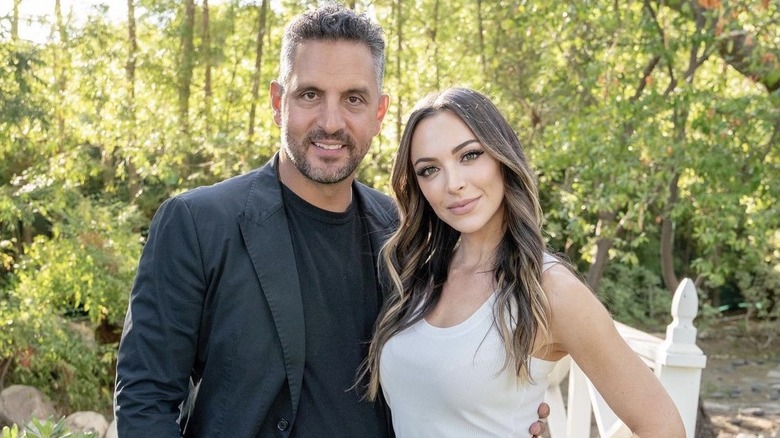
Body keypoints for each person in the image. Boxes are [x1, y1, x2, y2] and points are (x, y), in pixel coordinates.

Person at [113, 5, 549, 437]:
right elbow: (145, 400)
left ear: (379, 114)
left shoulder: (409, 232)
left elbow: (456, 359)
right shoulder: (197, 224)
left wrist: (511, 416)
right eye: (310, 95)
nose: (330, 122)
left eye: (353, 99)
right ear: (278, 102)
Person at [360, 87, 686, 437]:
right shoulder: (417, 274)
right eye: (429, 170)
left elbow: (664, 426)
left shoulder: (550, 290)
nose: (453, 184)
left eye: (469, 156)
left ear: (502, 157)